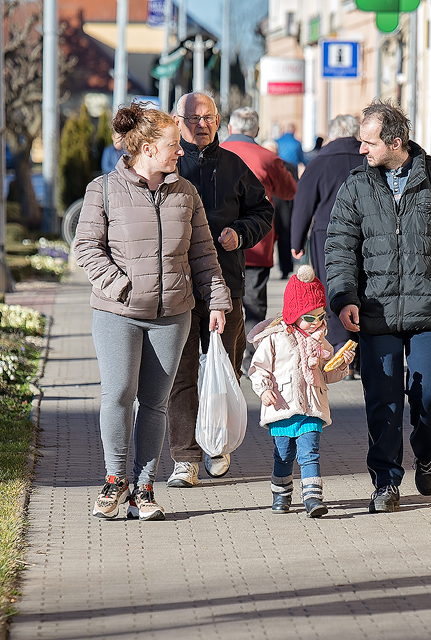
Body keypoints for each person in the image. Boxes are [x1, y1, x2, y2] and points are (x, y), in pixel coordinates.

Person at [74, 103, 231, 521]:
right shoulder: (103, 190)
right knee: (119, 394)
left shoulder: (186, 193)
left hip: (173, 314)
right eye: (172, 145)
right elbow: (86, 248)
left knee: (155, 403)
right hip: (118, 312)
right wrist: (121, 286)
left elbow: (203, 255)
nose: (180, 151)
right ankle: (114, 482)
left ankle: (143, 488)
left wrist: (217, 299)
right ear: (145, 148)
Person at [325, 100, 431, 513]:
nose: (361, 150)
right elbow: (339, 247)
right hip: (375, 313)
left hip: (427, 310)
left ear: (396, 142)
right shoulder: (357, 185)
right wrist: (343, 298)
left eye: (368, 142)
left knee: (428, 393)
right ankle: (386, 482)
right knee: (383, 399)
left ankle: (425, 452)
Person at [165, 91, 274, 487]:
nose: (201, 124)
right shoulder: (167, 166)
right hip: (176, 286)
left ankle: (218, 444)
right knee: (181, 372)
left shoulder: (233, 165)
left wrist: (240, 234)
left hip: (224, 286)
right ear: (177, 122)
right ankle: (184, 458)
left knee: (223, 367)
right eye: (193, 118)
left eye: (208, 117)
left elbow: (264, 210)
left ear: (219, 120)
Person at [246, 265, 354, 518]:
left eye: (321, 316)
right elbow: (257, 369)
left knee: (310, 452)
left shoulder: (320, 339)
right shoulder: (274, 338)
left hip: (312, 407)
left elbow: (328, 373)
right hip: (282, 406)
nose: (317, 323)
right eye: (310, 317)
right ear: (294, 314)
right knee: (283, 455)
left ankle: (313, 498)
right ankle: (281, 493)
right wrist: (264, 390)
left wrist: (341, 364)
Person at [220, 107, 297, 370]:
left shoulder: (214, 154)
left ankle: (220, 355)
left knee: (221, 300)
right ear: (256, 131)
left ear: (230, 129)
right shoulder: (267, 158)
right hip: (256, 242)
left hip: (217, 244)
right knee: (253, 303)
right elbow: (289, 192)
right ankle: (250, 358)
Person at [290, 115, 365, 359]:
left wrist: (296, 241)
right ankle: (363, 347)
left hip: (327, 233)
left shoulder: (319, 161)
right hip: (366, 233)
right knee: (364, 285)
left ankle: (341, 346)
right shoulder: (367, 158)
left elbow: (303, 202)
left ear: (332, 133)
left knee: (333, 286)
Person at [261, 138, 298, 280]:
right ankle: (265, 268)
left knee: (284, 238)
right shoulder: (262, 164)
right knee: (266, 239)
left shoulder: (288, 166)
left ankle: (285, 268)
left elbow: (295, 189)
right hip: (268, 206)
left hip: (283, 207)